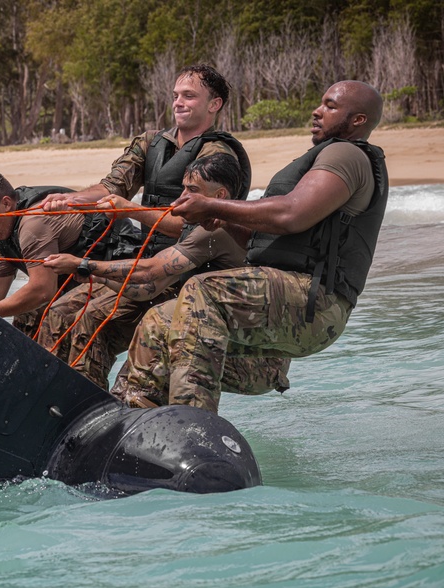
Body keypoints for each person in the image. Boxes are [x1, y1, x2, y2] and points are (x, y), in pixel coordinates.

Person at [115, 80, 387, 413]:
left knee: (204, 291)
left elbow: (290, 215)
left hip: (316, 302)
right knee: (159, 322)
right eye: (321, 103)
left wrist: (214, 207)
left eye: (330, 106)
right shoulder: (325, 156)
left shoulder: (347, 154)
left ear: (358, 120)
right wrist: (225, 222)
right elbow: (270, 239)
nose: (317, 111)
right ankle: (130, 414)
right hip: (285, 297)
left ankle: (193, 422)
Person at [35, 64, 251, 389]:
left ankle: (90, 406)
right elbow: (112, 188)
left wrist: (132, 212)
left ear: (214, 104)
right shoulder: (151, 142)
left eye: (189, 96)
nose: (178, 102)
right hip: (142, 265)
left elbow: (193, 227)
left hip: (184, 274)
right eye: (176, 95)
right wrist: (72, 200)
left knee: (91, 322)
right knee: (60, 312)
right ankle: (50, 394)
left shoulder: (217, 158)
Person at [43, 154, 290, 399]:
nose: (181, 197)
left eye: (192, 190)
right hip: (227, 342)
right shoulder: (202, 228)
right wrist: (95, 275)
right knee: (131, 378)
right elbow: (147, 289)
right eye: (183, 188)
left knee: (143, 368)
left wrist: (85, 264)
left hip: (259, 362)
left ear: (220, 196)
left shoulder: (216, 233)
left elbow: (149, 270)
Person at [0, 170, 89, 337]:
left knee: (56, 314)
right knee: (26, 313)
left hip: (113, 274)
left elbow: (43, 290)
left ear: (6, 204)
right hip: (77, 285)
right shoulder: (3, 238)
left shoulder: (33, 223)